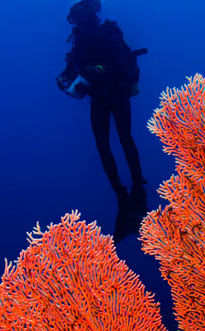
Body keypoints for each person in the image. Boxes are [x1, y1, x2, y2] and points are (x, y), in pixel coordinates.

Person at [56, 0, 148, 241]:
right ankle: (120, 192)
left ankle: (138, 185)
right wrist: (64, 78)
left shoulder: (109, 31)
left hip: (117, 93)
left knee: (125, 138)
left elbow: (124, 58)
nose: (79, 23)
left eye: (81, 18)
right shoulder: (78, 41)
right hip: (98, 98)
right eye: (75, 19)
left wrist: (101, 69)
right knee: (102, 145)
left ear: (91, 15)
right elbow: (71, 66)